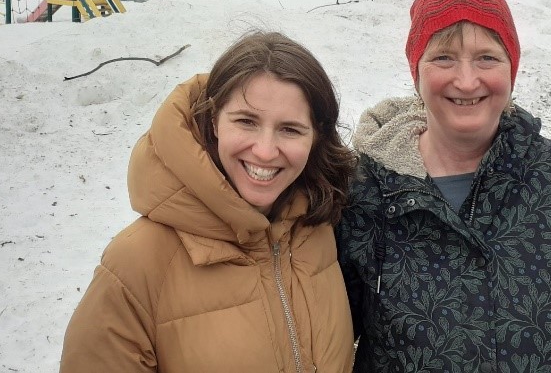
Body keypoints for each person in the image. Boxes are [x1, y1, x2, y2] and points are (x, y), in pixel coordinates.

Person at [338, 0, 551, 372]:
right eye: (443, 57)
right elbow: (322, 344)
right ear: (416, 72)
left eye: (487, 57)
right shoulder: (365, 195)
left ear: (512, 68)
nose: (467, 80)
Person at [60, 31, 357, 373]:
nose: (264, 150)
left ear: (316, 135)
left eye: (290, 129)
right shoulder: (135, 265)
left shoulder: (318, 229)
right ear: (214, 119)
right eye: (246, 121)